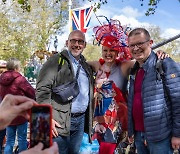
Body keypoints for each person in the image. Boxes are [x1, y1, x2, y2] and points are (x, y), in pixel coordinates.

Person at [86, 19, 168, 154]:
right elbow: (78, 62)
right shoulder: (96, 65)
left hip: (117, 121)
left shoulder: (124, 66)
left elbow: (145, 57)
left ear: (117, 52)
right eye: (105, 50)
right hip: (98, 120)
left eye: (112, 50)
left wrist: (159, 53)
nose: (108, 53)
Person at [36, 30, 94, 154]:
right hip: (58, 121)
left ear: (85, 45)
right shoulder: (56, 61)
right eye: (73, 40)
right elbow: (42, 90)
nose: (76, 44)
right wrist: (47, 118)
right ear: (67, 42)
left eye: (80, 41)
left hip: (80, 121)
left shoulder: (85, 65)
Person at [127, 28, 180, 154]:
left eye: (140, 43)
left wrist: (177, 134)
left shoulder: (164, 64)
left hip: (160, 136)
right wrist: (131, 130)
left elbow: (178, 101)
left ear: (150, 43)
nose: (136, 48)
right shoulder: (134, 70)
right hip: (139, 135)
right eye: (132, 45)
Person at [0, 58, 36, 153]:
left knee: (9, 141)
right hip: (20, 114)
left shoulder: (1, 79)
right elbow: (32, 93)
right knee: (21, 140)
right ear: (16, 67)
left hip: (8, 114)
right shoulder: (20, 79)